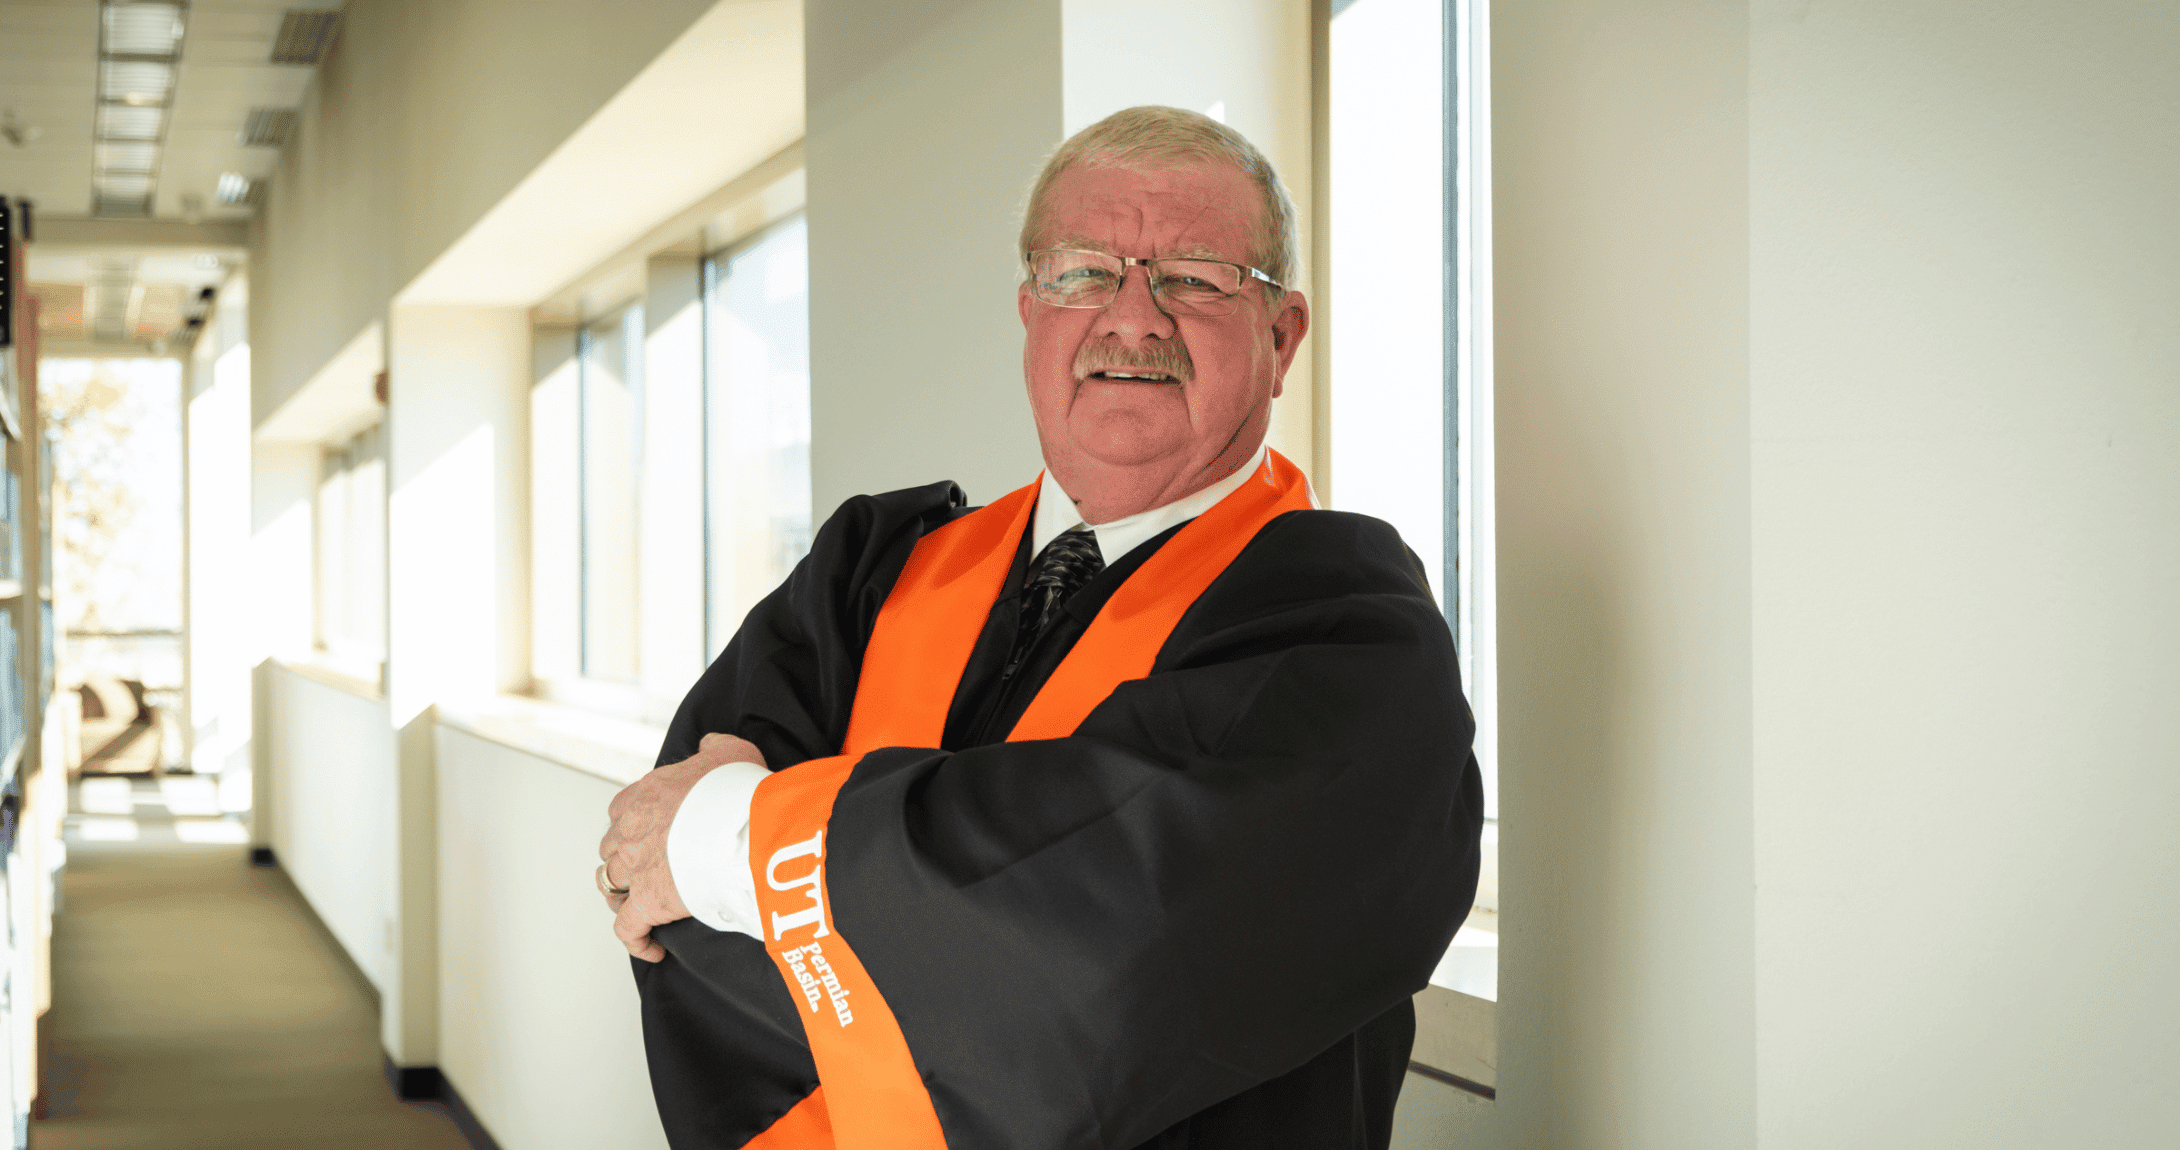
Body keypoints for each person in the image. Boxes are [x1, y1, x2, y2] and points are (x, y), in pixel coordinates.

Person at [597, 105, 1483, 1150]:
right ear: (1031, 312)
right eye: (1083, 272)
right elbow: (671, 904)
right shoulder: (869, 572)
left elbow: (1119, 953)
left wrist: (737, 846)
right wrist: (764, 871)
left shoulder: (1349, 641)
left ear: (1280, 336)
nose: (1134, 317)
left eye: (1195, 277)